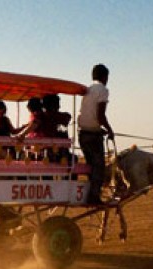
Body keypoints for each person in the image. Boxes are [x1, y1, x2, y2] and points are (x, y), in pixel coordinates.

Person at [77, 64, 114, 205]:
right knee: (99, 167)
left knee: (90, 166)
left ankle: (89, 194)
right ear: (105, 77)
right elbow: (100, 115)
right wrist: (109, 130)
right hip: (93, 135)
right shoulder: (103, 90)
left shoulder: (88, 89)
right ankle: (93, 197)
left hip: (83, 134)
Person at [42, 94, 74, 164]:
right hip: (60, 154)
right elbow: (68, 117)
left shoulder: (41, 117)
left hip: (43, 153)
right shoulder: (63, 117)